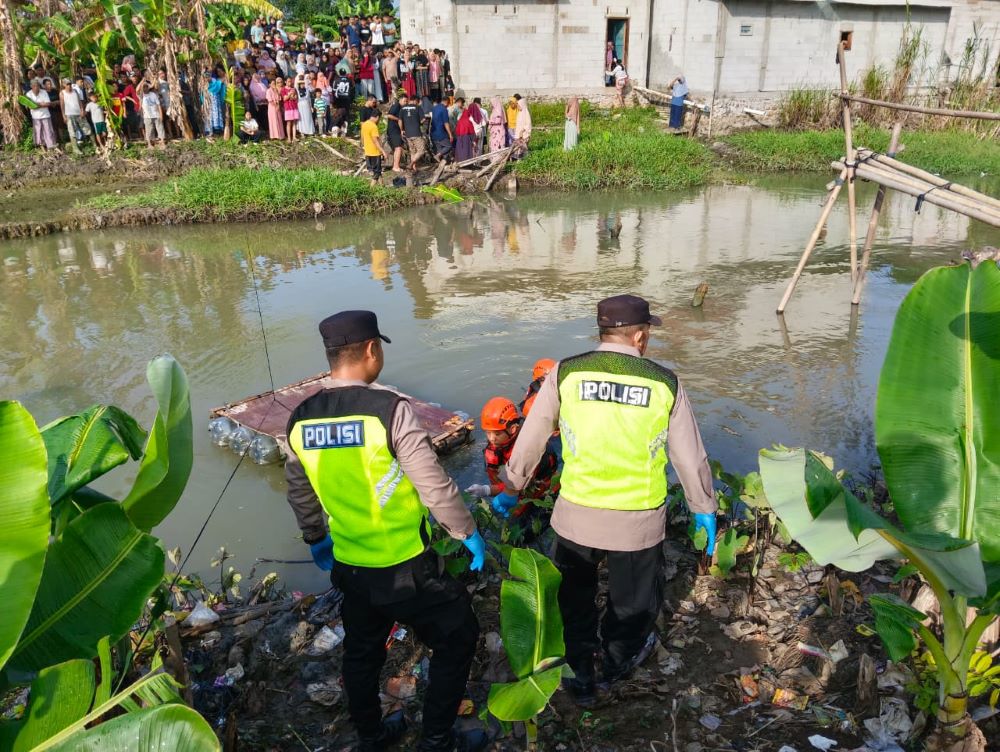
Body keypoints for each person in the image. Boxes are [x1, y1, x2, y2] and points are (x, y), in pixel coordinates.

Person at [495, 294, 718, 706]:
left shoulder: (566, 372)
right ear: (640, 337)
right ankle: (614, 665)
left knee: (574, 598)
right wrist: (704, 508)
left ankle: (579, 671)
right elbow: (689, 456)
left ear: (602, 332)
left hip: (576, 515)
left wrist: (513, 488)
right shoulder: (664, 381)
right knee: (632, 604)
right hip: (637, 521)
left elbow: (532, 436)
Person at [284, 311, 488, 752]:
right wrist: (465, 530)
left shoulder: (301, 416)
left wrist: (315, 538)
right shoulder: (389, 410)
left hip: (351, 566)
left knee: (361, 653)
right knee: (458, 637)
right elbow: (431, 483)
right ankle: (436, 739)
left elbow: (299, 488)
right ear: (372, 350)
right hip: (405, 565)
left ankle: (373, 736)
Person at [465, 397, 559, 516]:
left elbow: (520, 485)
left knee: (521, 517)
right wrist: (493, 490)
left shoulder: (528, 447)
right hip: (511, 489)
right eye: (488, 433)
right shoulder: (495, 448)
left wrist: (487, 490)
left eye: (497, 433)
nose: (491, 438)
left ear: (513, 429)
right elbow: (496, 477)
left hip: (541, 487)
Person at [25, 80, 57, 150]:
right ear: (31, 86)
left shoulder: (44, 92)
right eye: (34, 86)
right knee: (39, 132)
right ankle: (41, 145)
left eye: (37, 86)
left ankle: (51, 146)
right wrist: (41, 104)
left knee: (48, 131)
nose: (36, 87)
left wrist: (36, 104)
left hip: (46, 115)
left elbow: (48, 104)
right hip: (35, 117)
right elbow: (30, 106)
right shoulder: (28, 94)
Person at [60, 78, 89, 151]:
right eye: (67, 84)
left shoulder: (75, 91)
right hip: (69, 115)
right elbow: (62, 105)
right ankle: (75, 148)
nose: (69, 86)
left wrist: (82, 110)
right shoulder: (62, 93)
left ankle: (93, 144)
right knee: (72, 131)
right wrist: (64, 116)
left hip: (78, 113)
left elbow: (79, 102)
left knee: (87, 128)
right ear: (64, 85)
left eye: (70, 84)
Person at [361, 109, 389, 183]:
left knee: (378, 172)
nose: (378, 121)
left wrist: (364, 147)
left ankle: (382, 187)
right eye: (379, 119)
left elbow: (362, 138)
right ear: (377, 117)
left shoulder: (365, 124)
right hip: (375, 153)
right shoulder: (373, 126)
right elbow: (375, 141)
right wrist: (383, 151)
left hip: (368, 152)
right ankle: (370, 190)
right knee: (376, 174)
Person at [399, 95, 425, 170]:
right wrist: (419, 123)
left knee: (413, 151)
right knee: (421, 150)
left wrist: (401, 130)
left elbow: (400, 120)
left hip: (408, 134)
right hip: (416, 133)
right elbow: (423, 119)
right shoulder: (418, 107)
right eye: (418, 101)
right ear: (415, 100)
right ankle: (411, 164)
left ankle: (414, 168)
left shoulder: (402, 108)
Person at [385, 93, 405, 171]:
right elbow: (389, 115)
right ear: (400, 100)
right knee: (398, 148)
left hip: (396, 130)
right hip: (393, 130)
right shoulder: (396, 106)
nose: (405, 103)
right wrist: (399, 119)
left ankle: (396, 165)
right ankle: (396, 167)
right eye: (405, 101)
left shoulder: (401, 108)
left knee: (398, 148)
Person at [430, 96, 452, 161]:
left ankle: (440, 165)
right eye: (448, 104)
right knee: (448, 146)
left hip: (433, 132)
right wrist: (450, 134)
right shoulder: (444, 109)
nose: (448, 106)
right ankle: (438, 156)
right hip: (441, 132)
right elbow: (446, 123)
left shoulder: (434, 108)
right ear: (446, 102)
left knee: (439, 150)